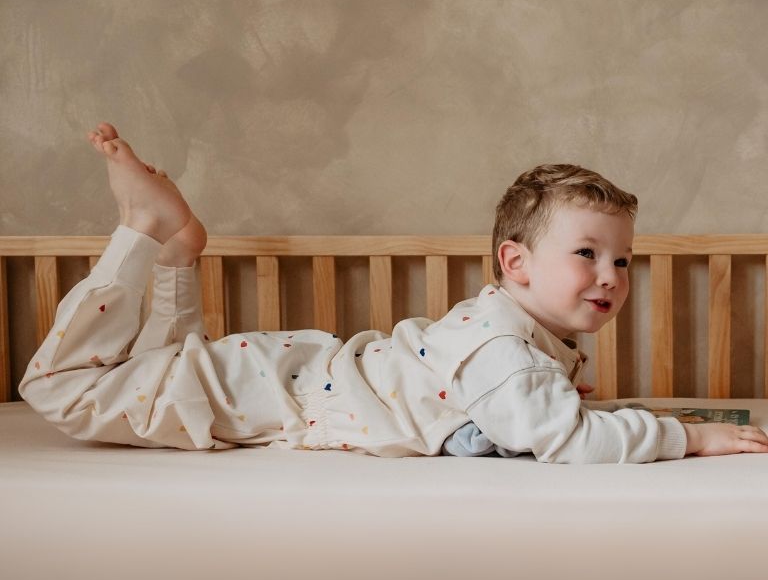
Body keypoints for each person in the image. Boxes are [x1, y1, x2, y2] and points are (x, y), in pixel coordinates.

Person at [19, 123, 768, 462]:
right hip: (264, 389)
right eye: (587, 253)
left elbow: (520, 410)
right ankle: (142, 235)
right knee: (55, 390)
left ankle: (178, 255)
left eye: (624, 260)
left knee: (164, 368)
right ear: (517, 263)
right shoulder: (503, 346)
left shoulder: (514, 334)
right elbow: (567, 439)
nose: (612, 276)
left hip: (272, 377)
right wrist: (689, 435)